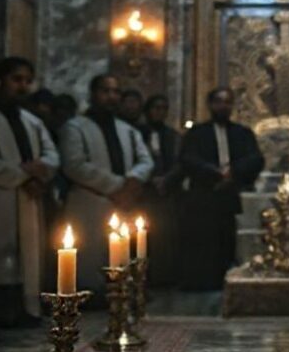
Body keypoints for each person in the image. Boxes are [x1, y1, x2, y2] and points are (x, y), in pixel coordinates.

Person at [0, 57, 59, 327]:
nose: (23, 86)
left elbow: (51, 153)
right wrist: (23, 176)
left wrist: (43, 171)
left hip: (29, 197)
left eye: (27, 80)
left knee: (25, 259)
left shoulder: (32, 121)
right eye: (17, 79)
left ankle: (24, 309)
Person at [59, 74, 153, 300]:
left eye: (115, 92)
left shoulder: (127, 130)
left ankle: (120, 297)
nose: (111, 96)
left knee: (120, 257)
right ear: (93, 94)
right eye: (105, 91)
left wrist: (133, 179)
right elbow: (74, 164)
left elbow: (146, 160)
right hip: (90, 200)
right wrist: (118, 186)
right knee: (89, 258)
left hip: (123, 202)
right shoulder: (75, 127)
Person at [179, 87, 264, 289]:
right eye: (219, 101)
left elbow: (256, 159)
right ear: (210, 104)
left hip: (232, 194)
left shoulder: (242, 133)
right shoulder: (197, 133)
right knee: (204, 241)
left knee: (229, 239)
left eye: (227, 102)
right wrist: (214, 173)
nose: (223, 106)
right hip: (204, 194)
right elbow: (188, 158)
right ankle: (205, 282)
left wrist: (232, 173)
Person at [138, 94, 184, 287]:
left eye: (163, 108)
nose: (159, 112)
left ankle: (165, 277)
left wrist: (167, 179)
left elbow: (180, 161)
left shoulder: (172, 135)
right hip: (144, 193)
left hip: (167, 192)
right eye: (156, 108)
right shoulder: (138, 133)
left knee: (165, 236)